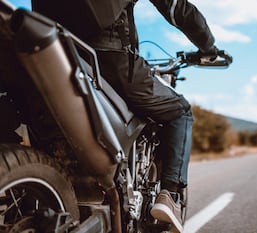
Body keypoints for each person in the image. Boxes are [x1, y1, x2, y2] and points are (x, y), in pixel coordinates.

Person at [32, 0, 218, 232]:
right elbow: (176, 8)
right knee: (180, 111)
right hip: (110, 58)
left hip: (51, 48)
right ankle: (170, 195)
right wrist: (208, 47)